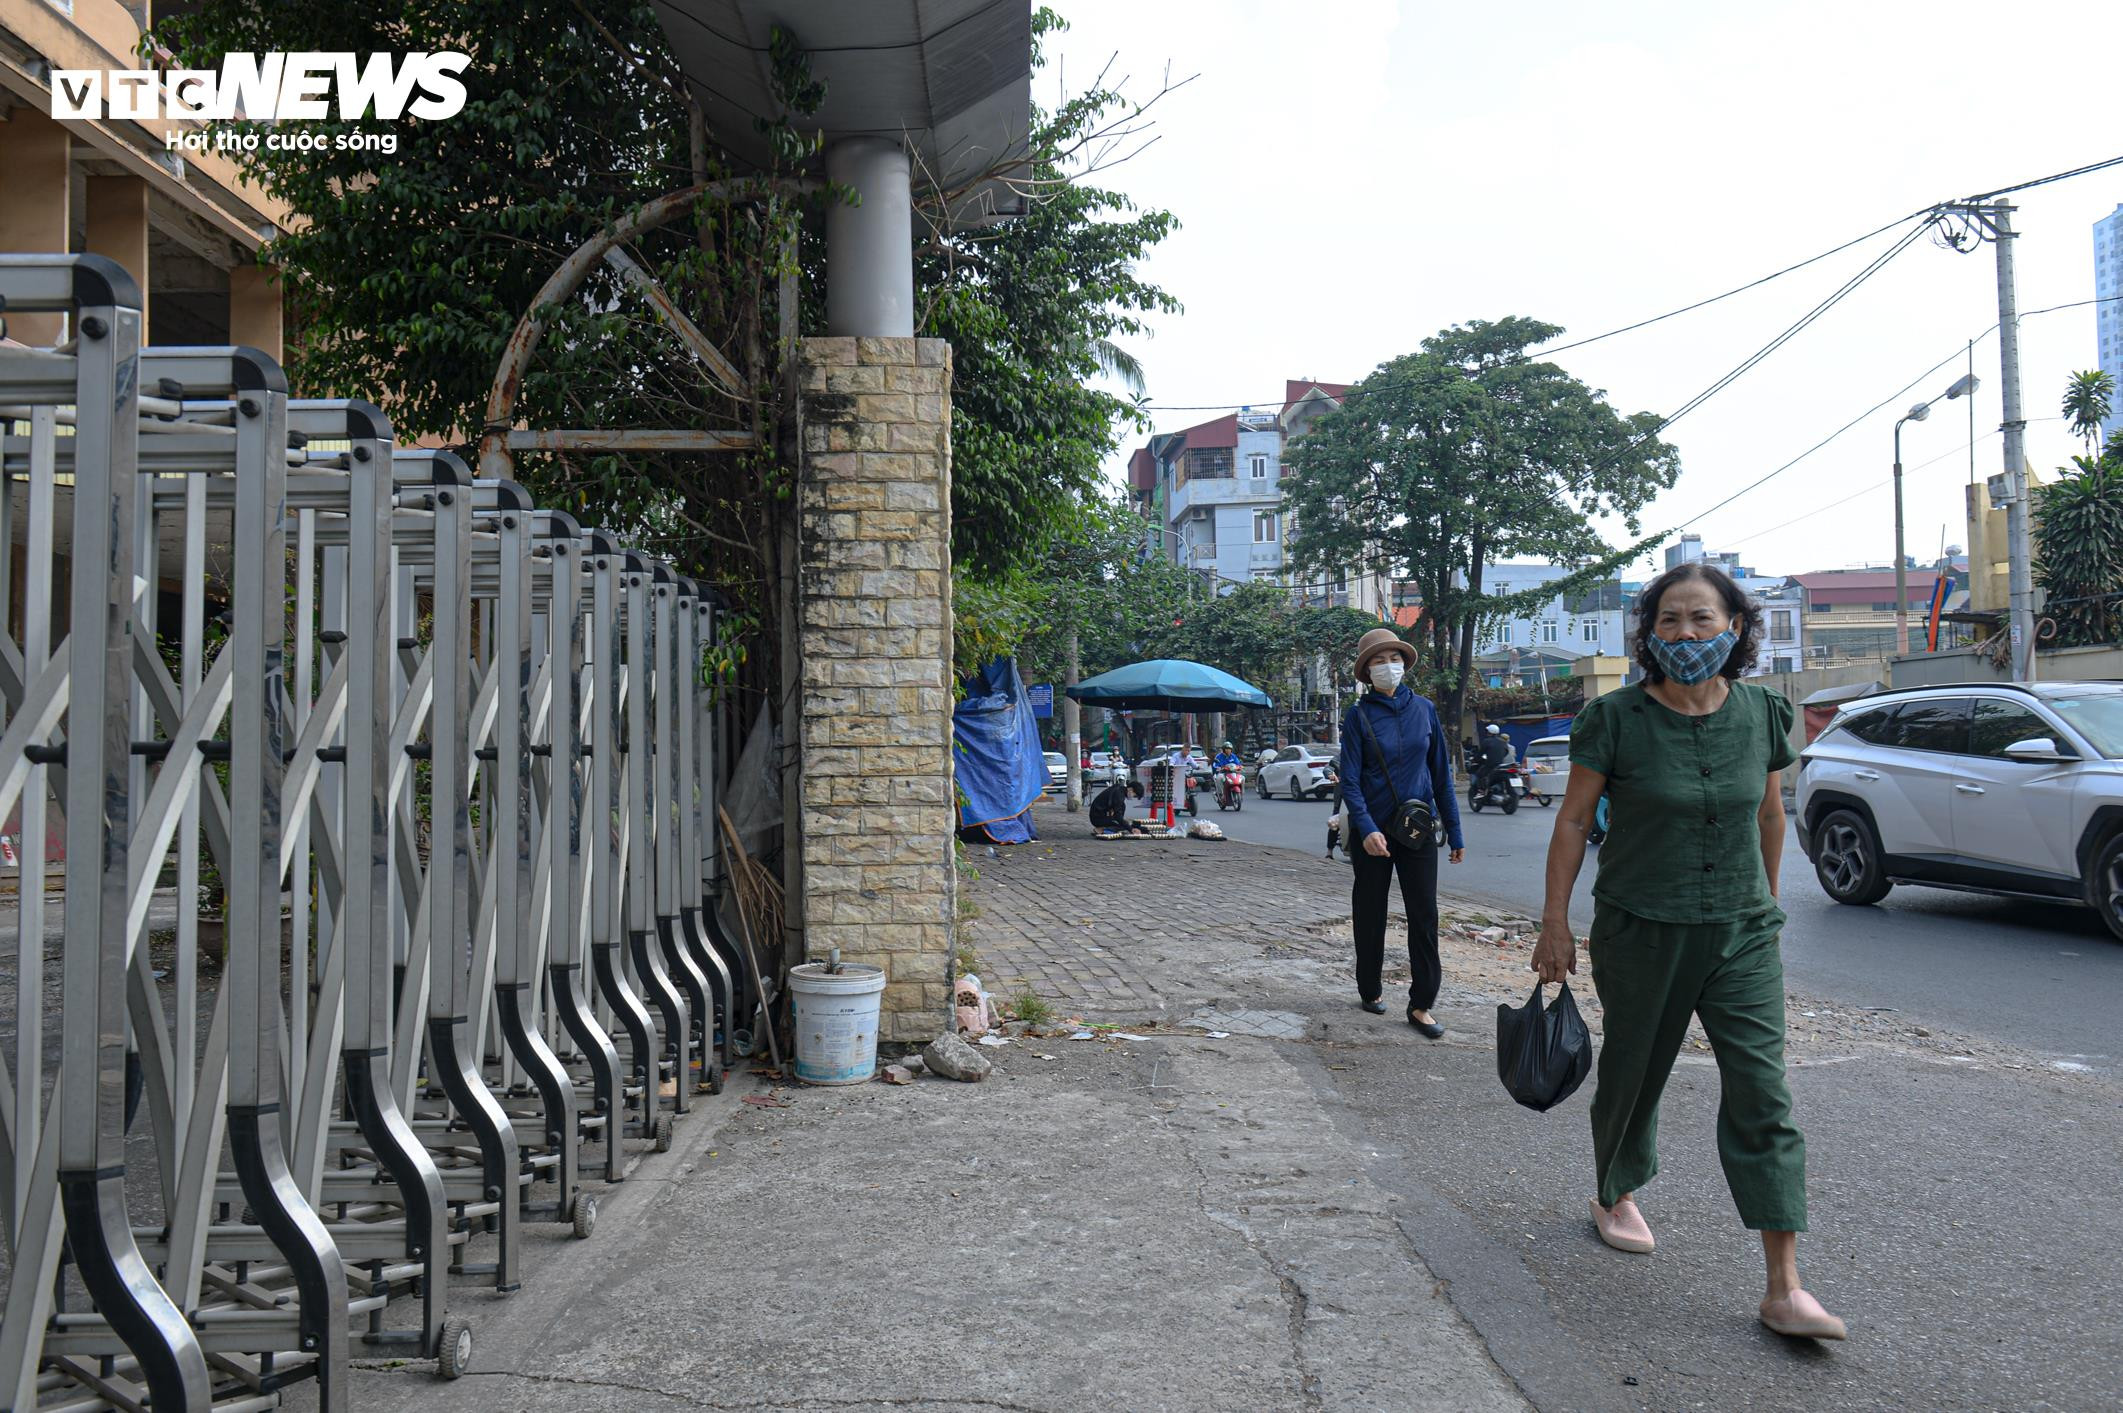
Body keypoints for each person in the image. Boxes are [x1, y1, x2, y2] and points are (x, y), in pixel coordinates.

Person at [1532, 562, 1845, 1342]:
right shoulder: (1614, 718)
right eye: (1667, 619)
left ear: (1734, 626)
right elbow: (1573, 821)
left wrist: (1764, 905)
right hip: (1641, 926)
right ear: (1650, 633)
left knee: (1762, 1092)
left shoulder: (1763, 714)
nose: (1684, 633)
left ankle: (1784, 1285)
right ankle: (1614, 1189)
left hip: (1740, 932)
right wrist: (1554, 923)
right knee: (1634, 1072)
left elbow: (1768, 814)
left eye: (1700, 618)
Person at [1339, 628, 1465, 1035]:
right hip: (1373, 833)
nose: (1387, 666)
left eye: (1393, 658)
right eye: (1378, 661)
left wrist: (1455, 832)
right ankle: (1369, 988)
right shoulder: (1358, 716)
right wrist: (1366, 828)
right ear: (1366, 671)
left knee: (1424, 916)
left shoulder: (1424, 710)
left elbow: (1441, 775)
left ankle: (1421, 1004)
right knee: (1370, 911)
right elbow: (1350, 781)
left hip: (1418, 828)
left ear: (1404, 664)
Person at [1474, 722, 1514, 801]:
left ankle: (1481, 791)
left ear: (1489, 732)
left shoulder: (1486, 741)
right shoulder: (1503, 742)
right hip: (1501, 765)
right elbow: (1506, 752)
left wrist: (1476, 759)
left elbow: (1480, 753)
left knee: (1480, 774)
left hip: (1491, 765)